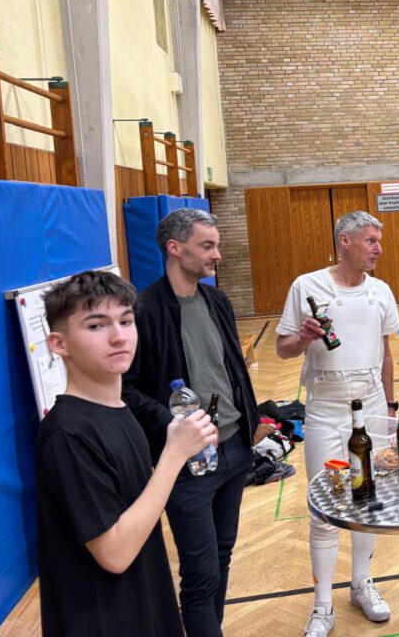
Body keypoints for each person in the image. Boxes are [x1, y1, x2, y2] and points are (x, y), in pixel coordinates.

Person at [37, 270, 217, 636]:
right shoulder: (68, 433)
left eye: (126, 320)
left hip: (144, 604)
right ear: (59, 343)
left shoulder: (120, 410)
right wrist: (174, 454)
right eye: (96, 326)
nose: (119, 336)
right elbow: (115, 554)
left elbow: (135, 508)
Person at [122, 208, 264, 636]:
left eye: (215, 246)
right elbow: (127, 389)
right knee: (200, 575)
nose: (217, 255)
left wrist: (252, 420)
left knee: (221, 556)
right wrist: (177, 426)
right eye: (207, 246)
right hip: (187, 465)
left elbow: (231, 369)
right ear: (175, 248)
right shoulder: (142, 311)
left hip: (235, 450)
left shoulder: (217, 301)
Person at [275, 210, 399, 637]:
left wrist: (389, 409)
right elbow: (283, 349)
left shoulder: (381, 291)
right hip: (325, 409)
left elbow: (386, 354)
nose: (378, 249)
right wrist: (303, 337)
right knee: (325, 507)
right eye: (370, 241)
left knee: (368, 499)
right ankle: (322, 605)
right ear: (345, 241)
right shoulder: (306, 286)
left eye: (379, 241)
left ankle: (361, 583)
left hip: (370, 405)